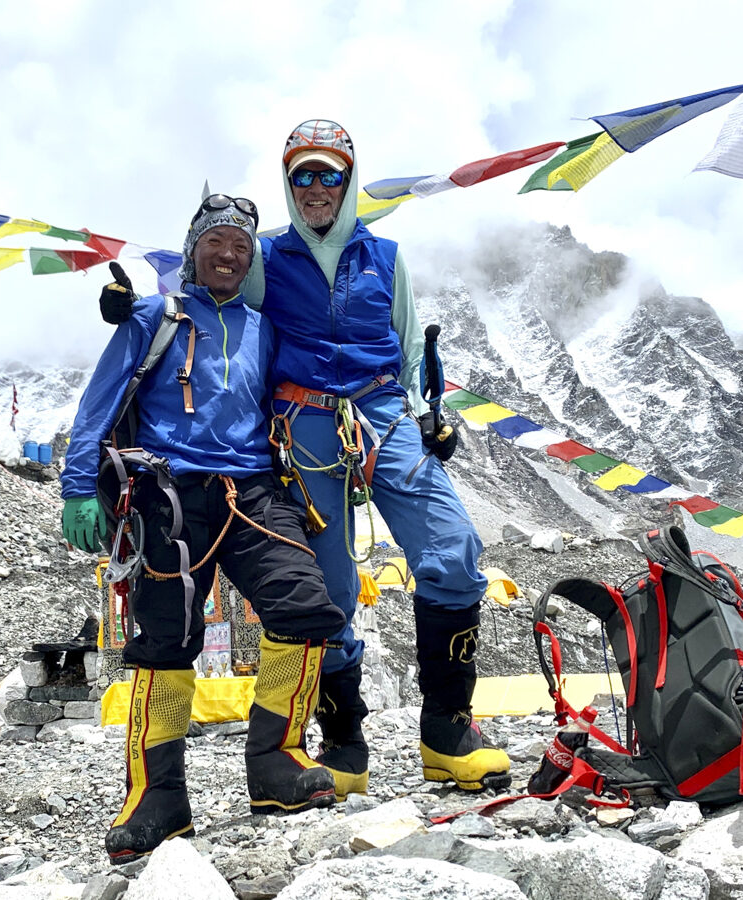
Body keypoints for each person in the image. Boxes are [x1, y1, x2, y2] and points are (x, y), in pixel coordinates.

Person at [100, 120, 511, 802]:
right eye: (302, 174)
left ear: (348, 180)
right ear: (288, 183)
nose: (316, 187)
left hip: (382, 413)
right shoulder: (262, 256)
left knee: (454, 549)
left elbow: (408, 346)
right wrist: (133, 307)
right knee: (332, 589)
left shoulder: (386, 256)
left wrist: (428, 416)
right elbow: (212, 297)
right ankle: (343, 741)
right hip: (300, 424)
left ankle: (447, 732)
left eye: (329, 174)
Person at [61, 195, 347, 864]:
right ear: (192, 251)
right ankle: (157, 800)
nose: (229, 253)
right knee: (165, 642)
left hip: (253, 492)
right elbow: (98, 403)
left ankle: (277, 762)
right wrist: (78, 487)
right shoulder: (150, 318)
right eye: (217, 241)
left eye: (241, 247)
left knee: (306, 608)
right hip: (169, 496)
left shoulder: (263, 327)